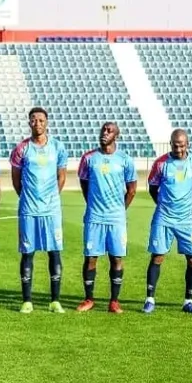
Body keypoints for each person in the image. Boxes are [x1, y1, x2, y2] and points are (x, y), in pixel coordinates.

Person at [9, 107, 68, 314]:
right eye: (33, 120)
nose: (37, 123)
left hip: (51, 210)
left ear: (47, 122)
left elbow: (61, 176)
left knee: (54, 252)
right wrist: (27, 197)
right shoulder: (21, 149)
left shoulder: (58, 147)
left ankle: (55, 300)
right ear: (29, 123)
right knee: (28, 253)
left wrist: (51, 197)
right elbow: (16, 179)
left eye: (41, 120)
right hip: (28, 209)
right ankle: (27, 301)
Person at [76, 122, 137, 314]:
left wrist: (120, 209)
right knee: (91, 257)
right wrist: (94, 204)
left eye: (110, 131)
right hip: (94, 216)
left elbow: (132, 189)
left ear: (116, 136)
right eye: (103, 129)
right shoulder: (88, 158)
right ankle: (89, 298)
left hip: (116, 218)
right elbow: (84, 184)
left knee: (116, 258)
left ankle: (114, 301)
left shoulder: (125, 160)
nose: (105, 133)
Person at [143, 129, 192, 314]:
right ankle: (149, 299)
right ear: (171, 144)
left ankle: (188, 301)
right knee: (158, 256)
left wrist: (187, 205)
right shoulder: (161, 163)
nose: (179, 149)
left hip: (187, 219)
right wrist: (164, 205)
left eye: (182, 145)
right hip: (164, 217)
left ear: (188, 144)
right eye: (176, 146)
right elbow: (153, 188)